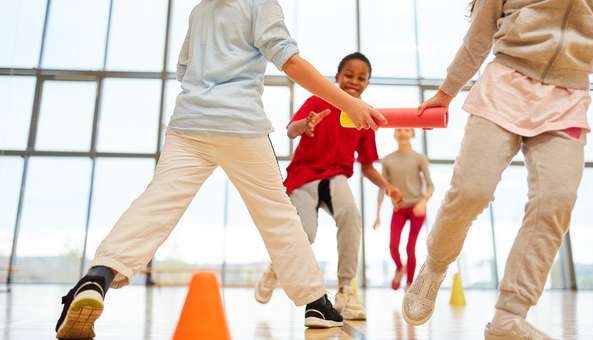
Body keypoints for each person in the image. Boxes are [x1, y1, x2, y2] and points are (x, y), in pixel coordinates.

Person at [54, 1, 388, 338]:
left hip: (188, 124)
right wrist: (349, 103)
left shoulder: (200, 10)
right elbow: (289, 60)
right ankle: (315, 302)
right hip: (240, 125)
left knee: (155, 205)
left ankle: (98, 277)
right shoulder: (261, 4)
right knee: (277, 215)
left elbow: (184, 69)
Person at [402, 1, 593, 339]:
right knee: (471, 191)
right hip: (506, 83)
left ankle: (509, 315)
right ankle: (435, 265)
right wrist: (446, 92)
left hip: (567, 96)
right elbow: (478, 35)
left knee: (556, 200)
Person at [254, 52, 403, 320]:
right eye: (349, 75)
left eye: (361, 78)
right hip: (305, 175)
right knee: (306, 234)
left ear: (367, 82)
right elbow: (291, 130)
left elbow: (367, 166)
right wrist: (306, 123)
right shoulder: (317, 100)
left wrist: (388, 187)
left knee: (351, 217)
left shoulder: (364, 117)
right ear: (337, 76)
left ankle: (346, 289)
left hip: (336, 178)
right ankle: (276, 268)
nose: (354, 81)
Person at [373, 128, 433, 290]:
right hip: (399, 208)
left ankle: (409, 284)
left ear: (412, 134)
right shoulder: (388, 160)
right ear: (394, 135)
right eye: (399, 130)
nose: (402, 133)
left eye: (407, 130)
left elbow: (430, 186)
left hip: (417, 208)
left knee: (410, 247)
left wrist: (423, 202)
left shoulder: (419, 158)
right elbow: (382, 187)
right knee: (393, 245)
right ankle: (399, 269)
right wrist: (377, 214)